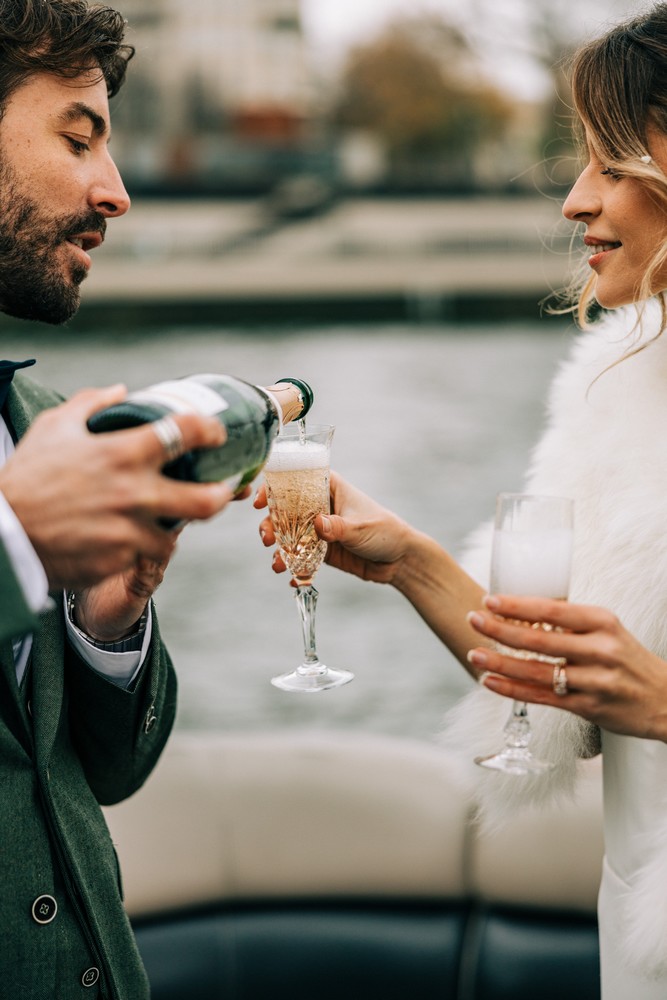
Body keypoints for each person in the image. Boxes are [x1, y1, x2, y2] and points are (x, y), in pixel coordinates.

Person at [256, 4, 667, 997]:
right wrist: (405, 561)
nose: (574, 202)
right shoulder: (616, 390)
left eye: (609, 165)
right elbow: (543, 677)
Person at [0, 2, 236, 997]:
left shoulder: (43, 419)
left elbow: (102, 773)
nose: (117, 191)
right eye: (78, 135)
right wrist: (17, 540)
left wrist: (111, 622)